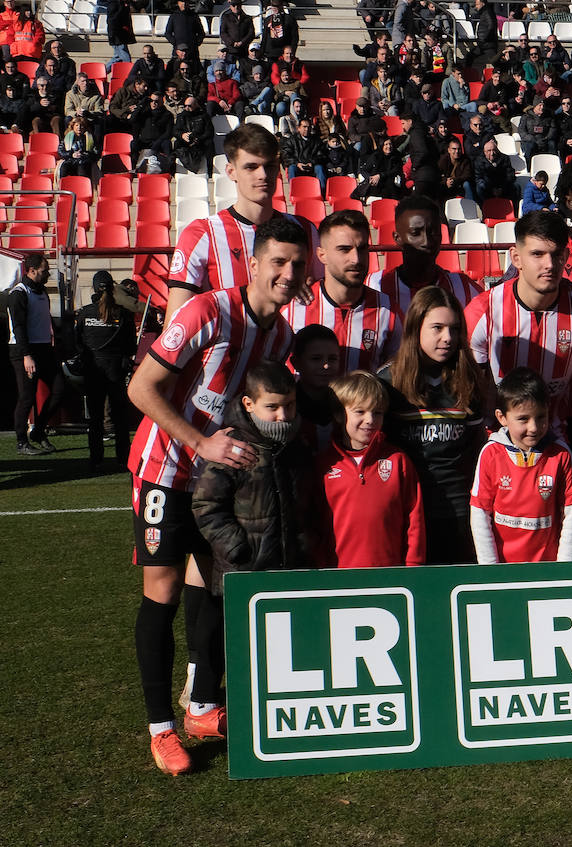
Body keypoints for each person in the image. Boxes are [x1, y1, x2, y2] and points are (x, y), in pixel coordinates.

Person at [126, 217, 307, 775]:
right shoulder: (205, 311)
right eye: (277, 261)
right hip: (164, 466)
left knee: (217, 582)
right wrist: (200, 441)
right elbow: (140, 388)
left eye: (298, 264)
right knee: (164, 591)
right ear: (253, 263)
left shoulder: (281, 335)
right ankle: (161, 728)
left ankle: (203, 706)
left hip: (218, 477)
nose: (288, 273)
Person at [188, 361, 315, 741]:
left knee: (278, 642)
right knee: (227, 640)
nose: (283, 414)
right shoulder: (234, 446)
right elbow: (206, 506)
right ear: (248, 403)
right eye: (272, 407)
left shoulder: (298, 444)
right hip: (240, 572)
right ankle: (204, 707)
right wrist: (236, 548)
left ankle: (273, 706)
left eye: (289, 406)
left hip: (287, 566)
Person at [466, 210, 572, 438]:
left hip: (558, 440)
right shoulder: (483, 311)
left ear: (565, 256)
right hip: (495, 441)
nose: (549, 264)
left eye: (556, 255)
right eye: (537, 254)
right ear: (516, 258)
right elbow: (469, 390)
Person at [166, 124, 323, 319]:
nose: (263, 175)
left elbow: (323, 299)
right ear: (231, 171)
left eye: (270, 166)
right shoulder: (202, 235)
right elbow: (175, 323)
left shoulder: (306, 229)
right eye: (251, 167)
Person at [377, 285, 487, 564]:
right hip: (406, 511)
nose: (447, 338)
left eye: (453, 329)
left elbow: (477, 451)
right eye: (437, 328)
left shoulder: (470, 379)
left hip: (459, 511)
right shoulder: (388, 382)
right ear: (415, 329)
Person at [469, 368, 572, 564]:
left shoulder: (561, 454)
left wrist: (564, 566)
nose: (534, 427)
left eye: (541, 417)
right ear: (501, 417)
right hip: (502, 568)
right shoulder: (490, 454)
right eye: (523, 419)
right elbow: (480, 512)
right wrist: (489, 568)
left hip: (547, 567)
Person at [315, 370, 426, 568]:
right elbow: (314, 527)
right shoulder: (324, 465)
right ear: (340, 415)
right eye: (360, 411)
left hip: (390, 576)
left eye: (377, 412)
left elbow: (414, 521)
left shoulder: (398, 460)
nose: (370, 420)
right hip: (338, 577)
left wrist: (413, 568)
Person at [282, 210, 401, 373]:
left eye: (362, 248)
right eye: (345, 249)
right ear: (322, 255)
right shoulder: (291, 310)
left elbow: (399, 375)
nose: (356, 259)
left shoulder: (388, 311)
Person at [368, 194, 482, 315]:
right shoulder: (377, 285)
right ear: (397, 238)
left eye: (433, 232)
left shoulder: (463, 287)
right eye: (416, 233)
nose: (426, 241)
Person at [73, 271, 137, 470]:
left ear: (94, 288)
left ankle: (96, 458)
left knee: (95, 417)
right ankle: (123, 457)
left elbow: (78, 344)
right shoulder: (124, 315)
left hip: (94, 370)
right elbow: (131, 347)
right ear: (112, 288)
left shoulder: (84, 313)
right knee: (120, 416)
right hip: (115, 369)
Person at [8, 254, 64, 456]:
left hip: (44, 348)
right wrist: (26, 355)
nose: (47, 273)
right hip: (25, 350)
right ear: (32, 271)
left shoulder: (41, 292)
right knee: (27, 397)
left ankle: (38, 431)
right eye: (44, 270)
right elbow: (19, 327)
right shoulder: (19, 293)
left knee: (59, 389)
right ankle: (22, 441)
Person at [289, 324, 341, 451]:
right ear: (296, 363)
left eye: (332, 359)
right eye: (316, 359)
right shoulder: (286, 408)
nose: (326, 366)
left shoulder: (346, 406)